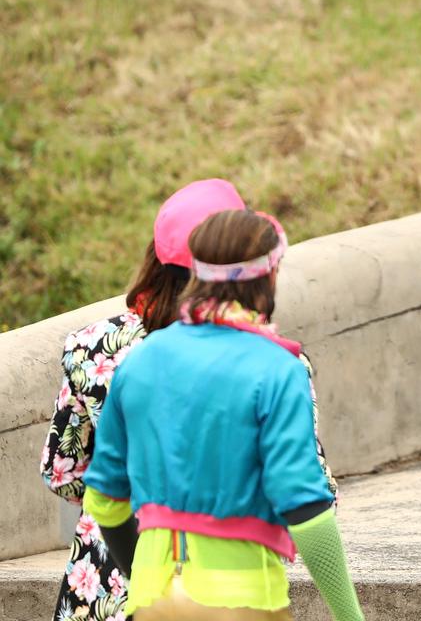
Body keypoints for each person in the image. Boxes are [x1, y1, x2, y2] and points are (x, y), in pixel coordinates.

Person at [40, 178, 338, 621]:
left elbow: (62, 473)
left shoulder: (90, 346)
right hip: (228, 591)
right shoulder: (273, 362)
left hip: (101, 588)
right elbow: (313, 494)